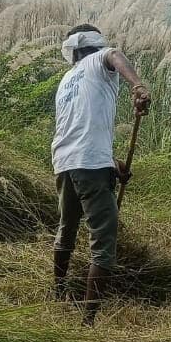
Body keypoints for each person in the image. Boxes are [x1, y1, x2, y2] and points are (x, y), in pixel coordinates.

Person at [51, 23, 151, 324]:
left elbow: (79, 129)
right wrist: (137, 87)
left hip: (65, 163)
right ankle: (89, 320)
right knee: (103, 241)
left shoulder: (67, 80)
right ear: (94, 46)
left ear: (74, 50)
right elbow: (116, 55)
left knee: (66, 229)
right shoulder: (101, 59)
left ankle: (56, 292)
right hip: (89, 165)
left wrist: (113, 163)